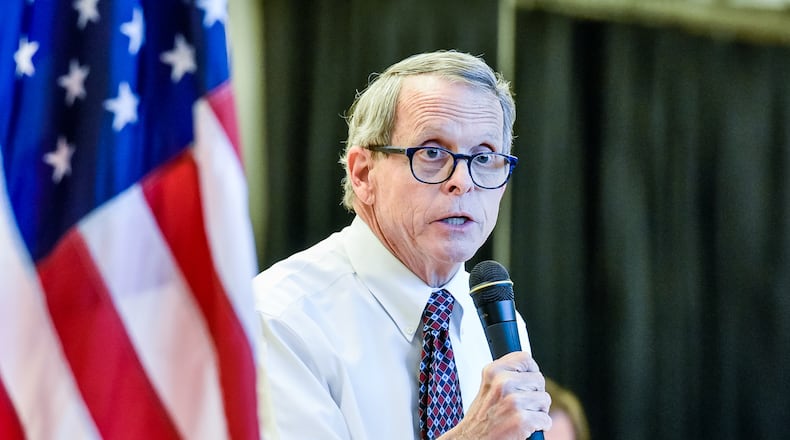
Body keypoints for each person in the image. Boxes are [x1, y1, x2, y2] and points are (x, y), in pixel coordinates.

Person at [254, 50, 552, 439]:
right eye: (432, 152)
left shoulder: (496, 322)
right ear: (363, 174)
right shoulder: (280, 319)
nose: (462, 181)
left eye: (484, 157)